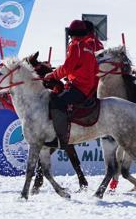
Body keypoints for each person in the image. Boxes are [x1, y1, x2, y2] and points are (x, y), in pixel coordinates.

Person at [43, 20, 100, 148]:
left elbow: (67, 68)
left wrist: (52, 75)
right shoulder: (89, 48)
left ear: (71, 33)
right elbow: (95, 70)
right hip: (87, 88)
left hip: (79, 88)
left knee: (56, 101)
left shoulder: (75, 46)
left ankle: (60, 139)